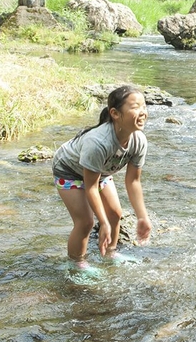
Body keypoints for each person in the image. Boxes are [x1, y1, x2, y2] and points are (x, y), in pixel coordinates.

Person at [52, 85, 153, 269]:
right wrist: (103, 223)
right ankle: (77, 264)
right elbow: (90, 187)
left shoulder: (139, 141)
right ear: (115, 113)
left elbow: (133, 181)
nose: (143, 112)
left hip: (100, 171)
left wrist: (142, 217)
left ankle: (110, 253)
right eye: (135, 107)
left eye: (144, 106)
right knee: (86, 222)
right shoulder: (98, 142)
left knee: (115, 214)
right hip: (69, 170)